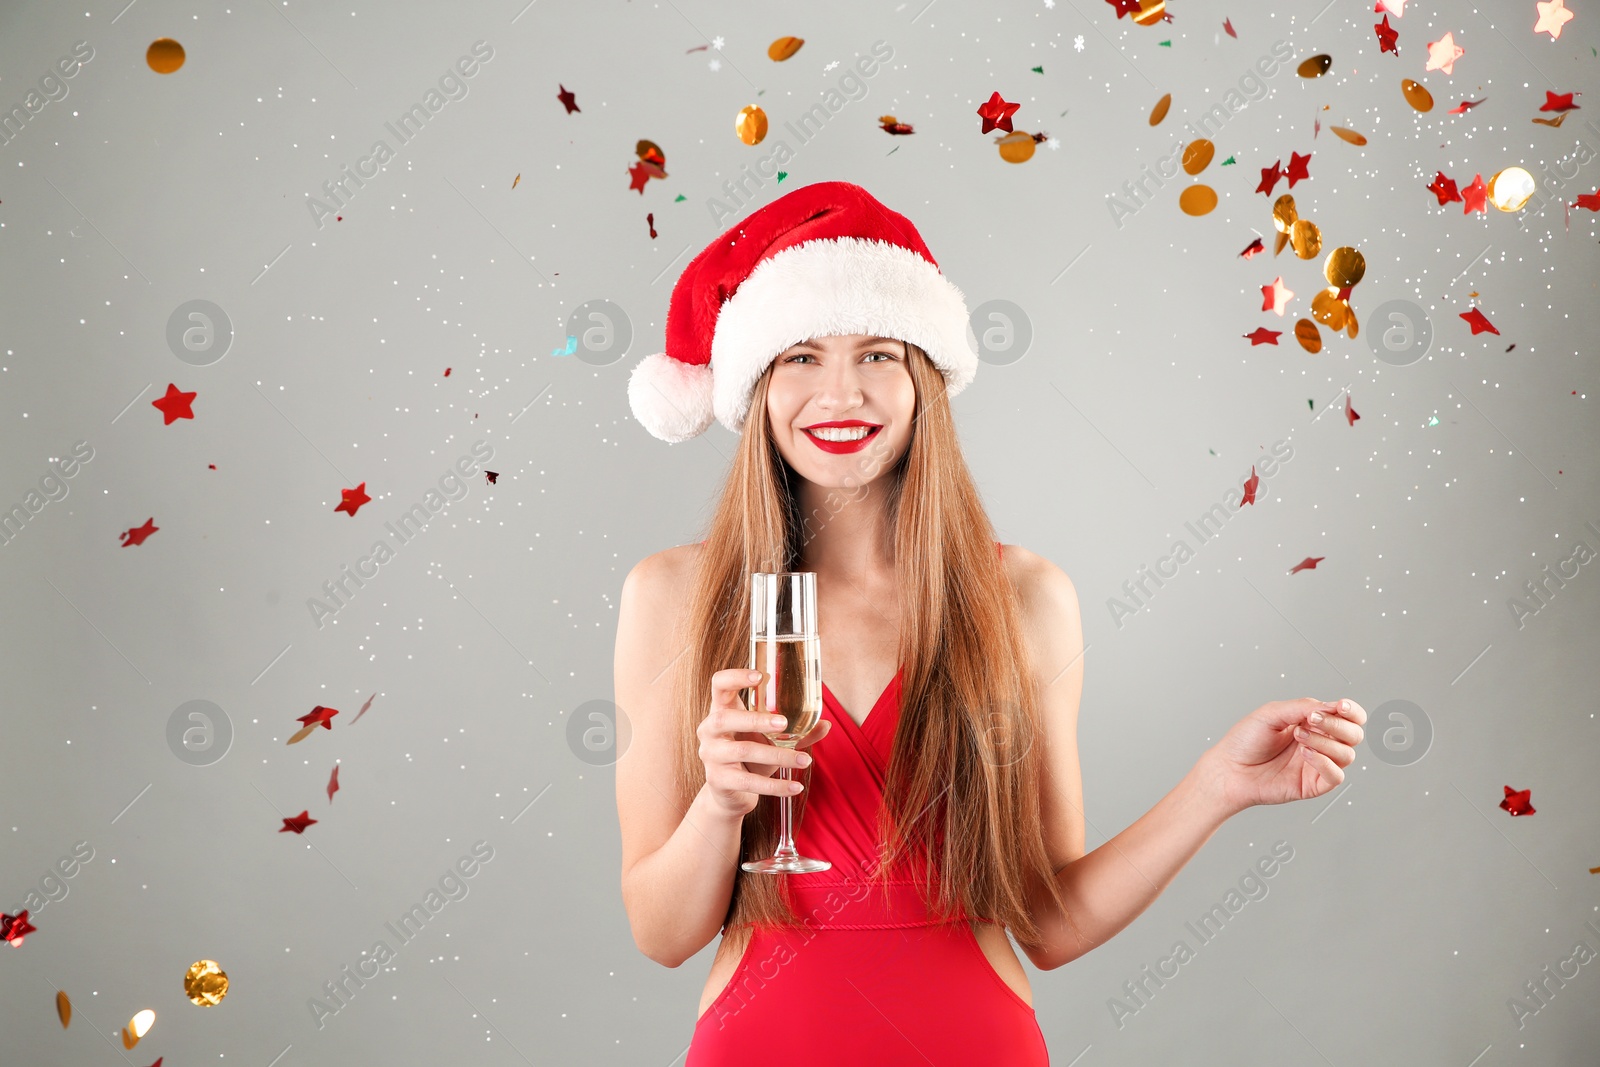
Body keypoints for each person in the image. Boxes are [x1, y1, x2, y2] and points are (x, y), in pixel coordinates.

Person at [613, 181, 1366, 1064]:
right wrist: (719, 805)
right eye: (801, 357)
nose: (841, 392)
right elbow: (661, 933)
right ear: (757, 387)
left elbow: (1046, 919)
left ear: (925, 378)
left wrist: (1217, 787)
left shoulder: (1026, 597)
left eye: (879, 354)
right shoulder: (675, 594)